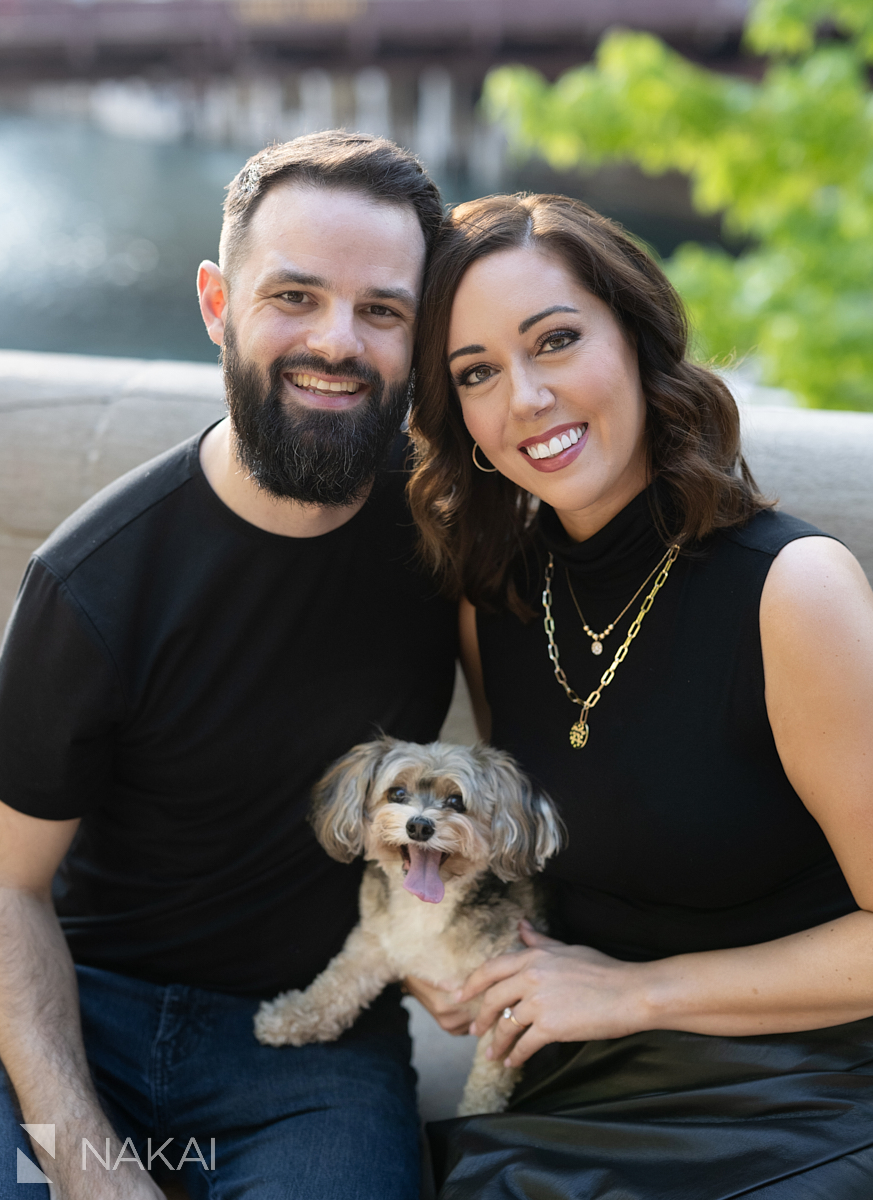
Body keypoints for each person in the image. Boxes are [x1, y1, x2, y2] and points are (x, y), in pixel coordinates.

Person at [0, 132, 458, 1200]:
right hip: (81, 1015)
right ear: (217, 302)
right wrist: (80, 1152)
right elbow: (8, 884)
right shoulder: (91, 582)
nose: (337, 342)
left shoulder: (452, 534)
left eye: (381, 310)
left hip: (313, 1045)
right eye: (294, 296)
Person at [405, 193, 873, 1199]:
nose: (525, 396)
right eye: (477, 373)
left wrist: (634, 992)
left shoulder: (794, 593)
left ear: (638, 339)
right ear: (464, 423)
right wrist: (448, 944)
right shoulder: (493, 606)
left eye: (557, 340)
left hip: (815, 1081)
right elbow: (555, 859)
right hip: (595, 1084)